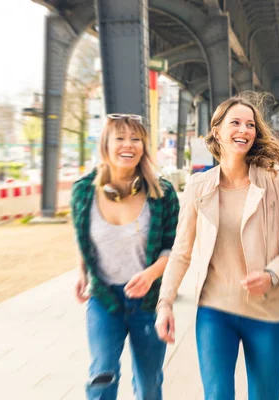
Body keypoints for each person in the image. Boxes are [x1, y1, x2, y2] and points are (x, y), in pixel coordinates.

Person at [155, 93, 279, 400]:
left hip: (267, 313)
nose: (244, 130)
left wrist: (272, 274)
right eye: (235, 122)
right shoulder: (199, 186)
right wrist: (165, 303)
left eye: (250, 125)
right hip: (215, 312)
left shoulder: (274, 181)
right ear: (217, 130)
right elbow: (181, 251)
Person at [70, 113, 179, 400]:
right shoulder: (82, 191)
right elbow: (84, 237)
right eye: (120, 138)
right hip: (104, 299)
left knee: (148, 383)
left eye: (136, 139)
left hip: (147, 301)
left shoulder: (163, 193)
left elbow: (174, 247)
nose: (128, 145)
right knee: (102, 374)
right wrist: (82, 272)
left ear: (144, 147)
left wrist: (151, 274)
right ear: (105, 143)